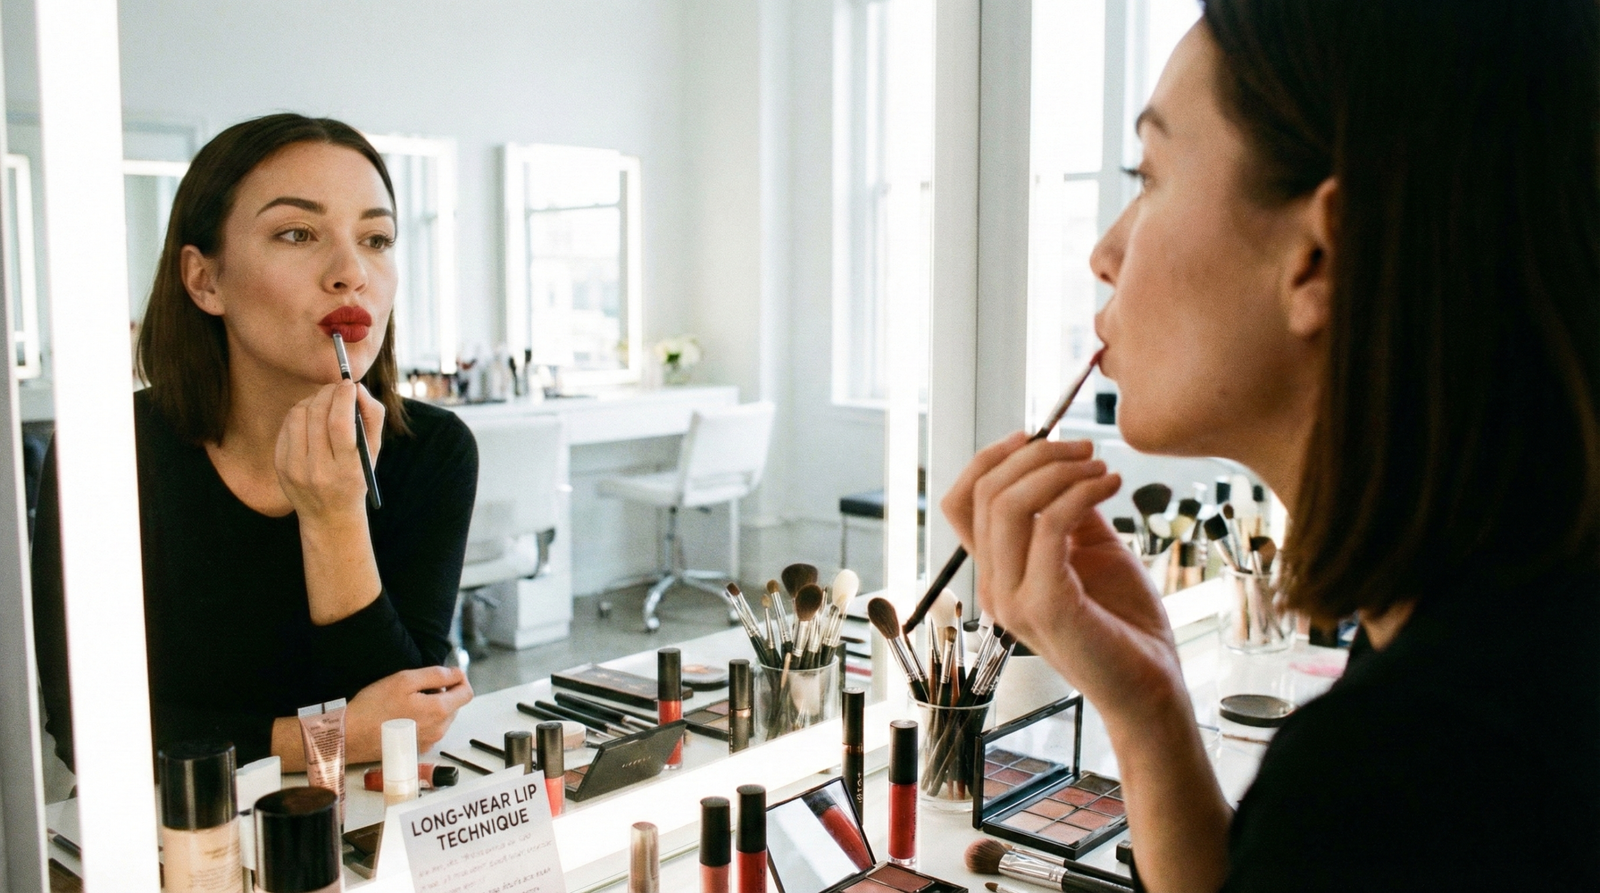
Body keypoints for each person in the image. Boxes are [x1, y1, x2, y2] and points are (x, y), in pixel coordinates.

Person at [941, 2, 1599, 891]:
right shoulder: (1494, 631)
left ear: (1320, 256)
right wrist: (1148, 704)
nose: (1103, 252)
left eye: (1149, 174)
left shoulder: (1399, 775)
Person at [34, 114, 477, 771]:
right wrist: (327, 737)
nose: (351, 273)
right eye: (297, 233)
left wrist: (335, 517)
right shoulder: (108, 455)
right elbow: (88, 727)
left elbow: (399, 723)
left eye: (376, 238)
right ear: (204, 280)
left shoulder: (433, 450)